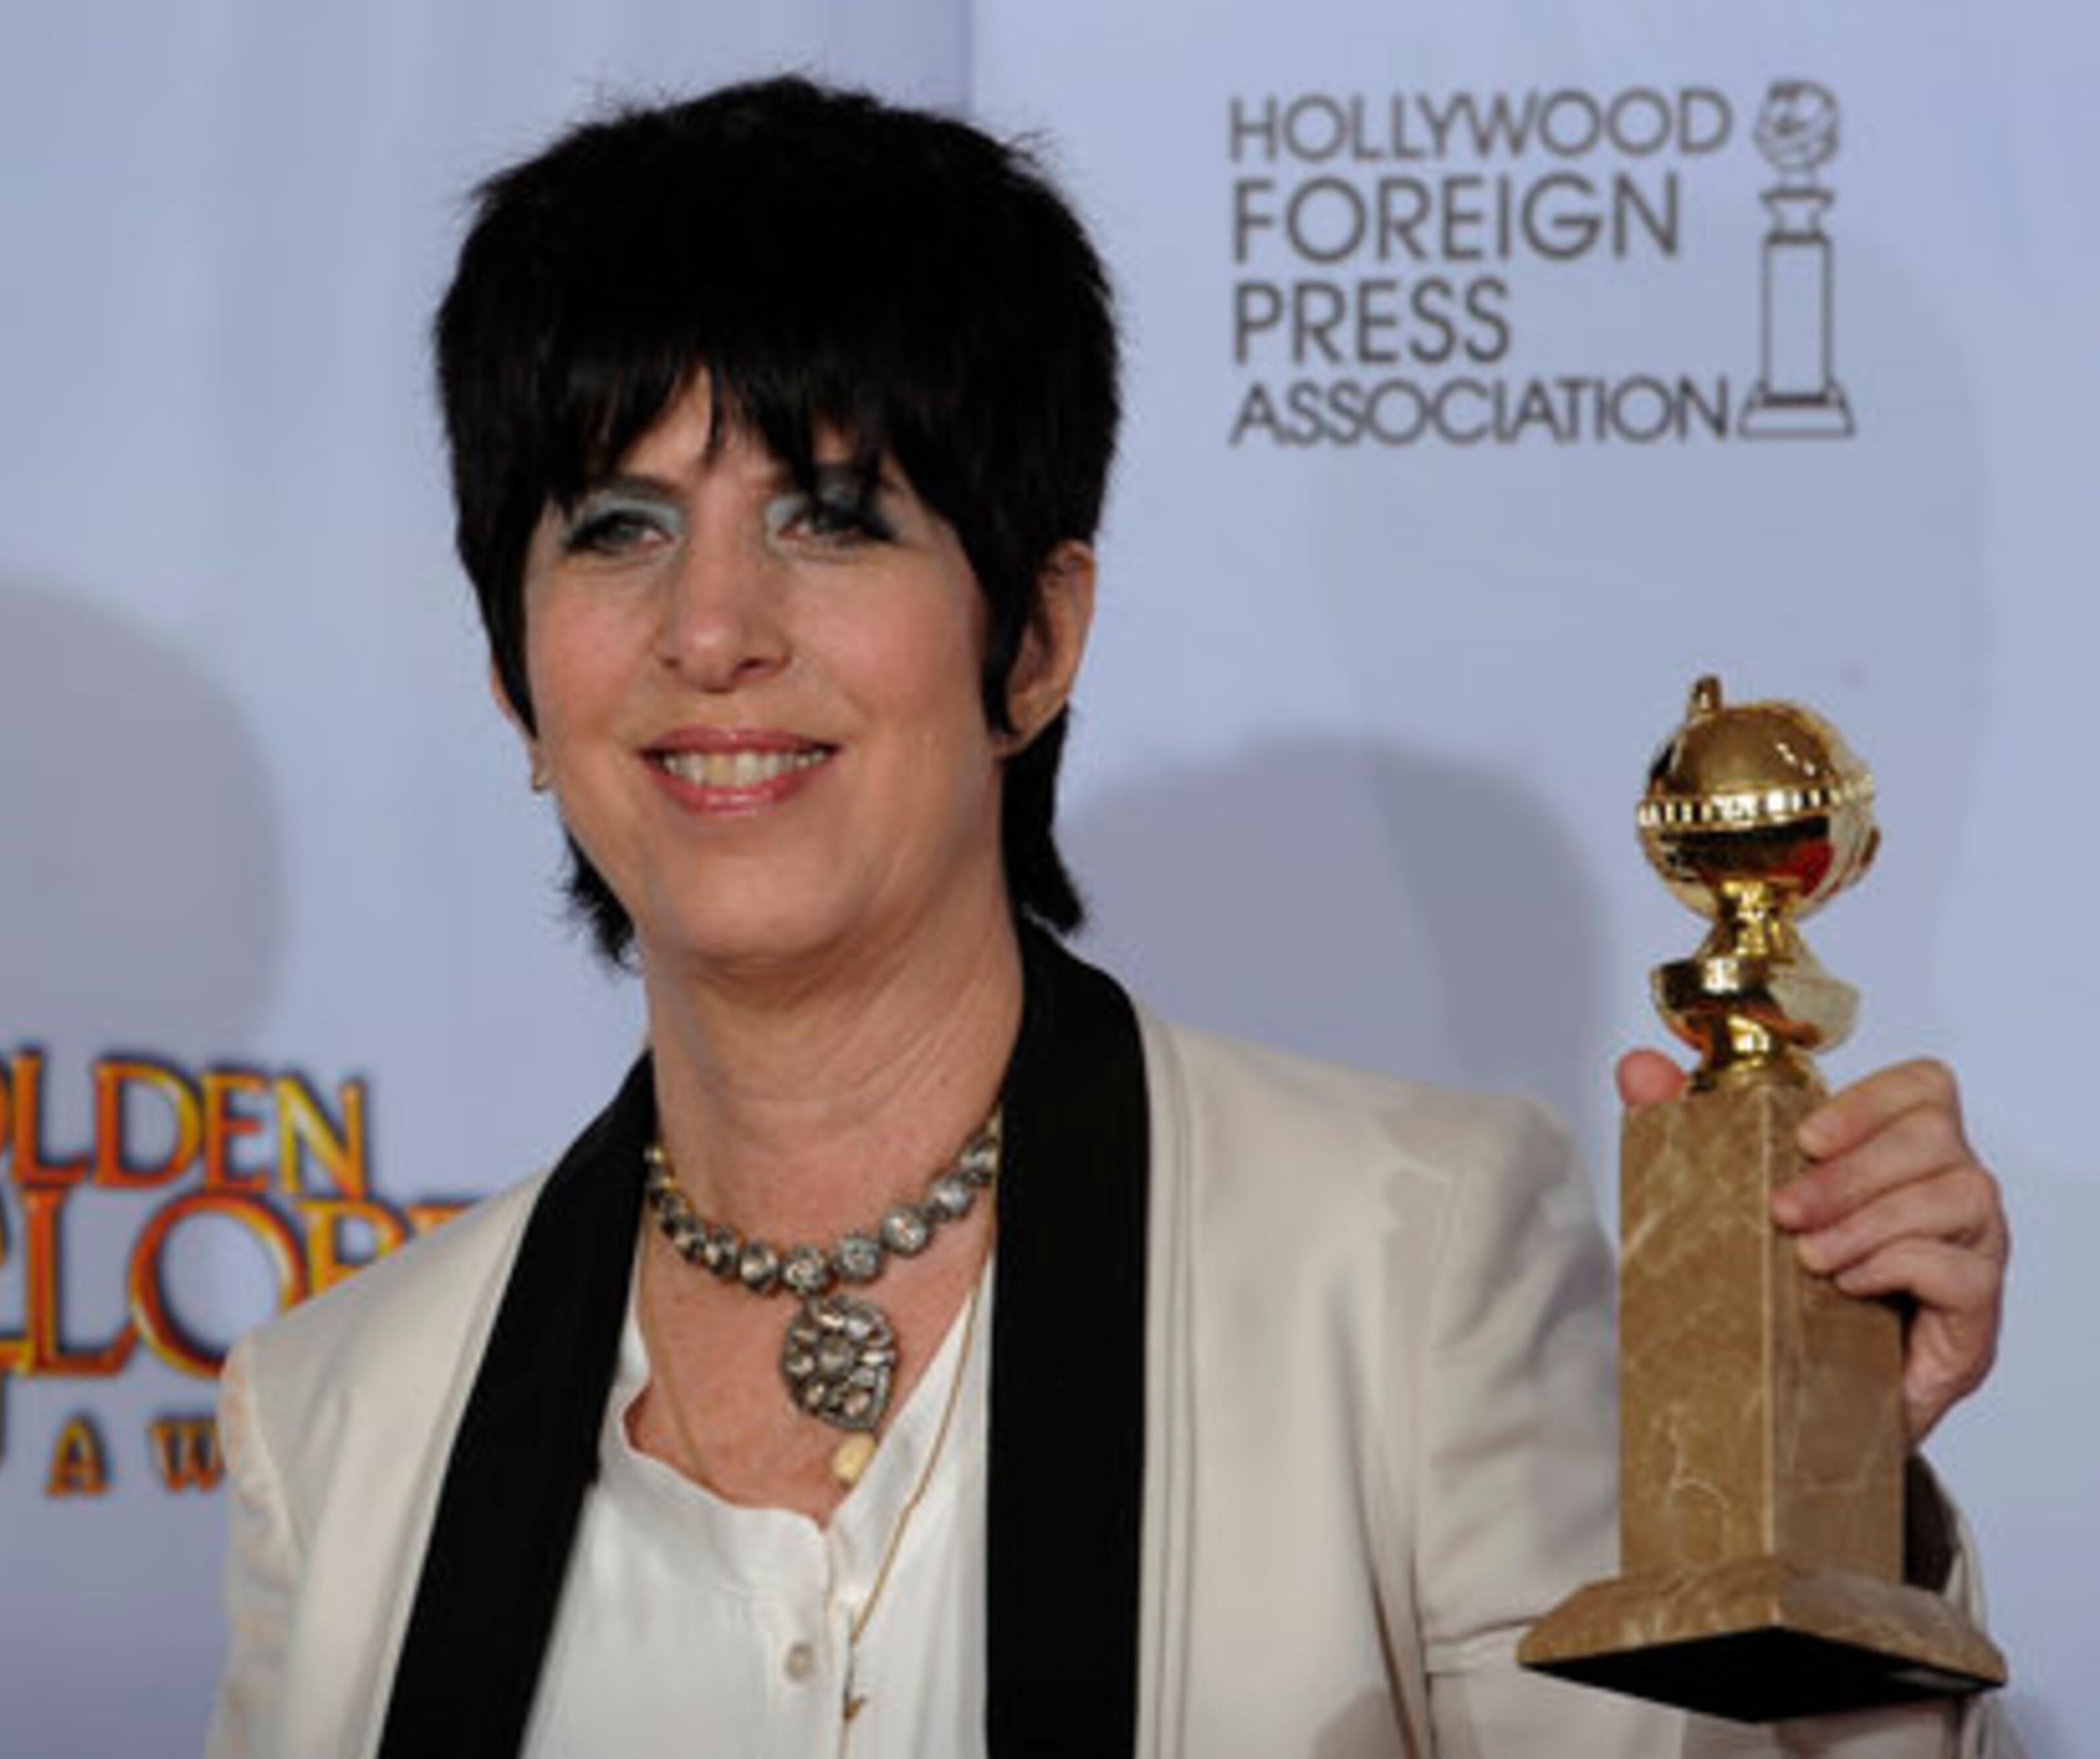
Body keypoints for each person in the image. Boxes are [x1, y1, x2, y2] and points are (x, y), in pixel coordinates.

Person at [205, 77, 2013, 1758]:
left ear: (1037, 640)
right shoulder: (342, 1414)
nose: (710, 630)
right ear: (521, 679)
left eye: (832, 516)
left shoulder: (1402, 1271)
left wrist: (1832, 1498)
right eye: (614, 526)